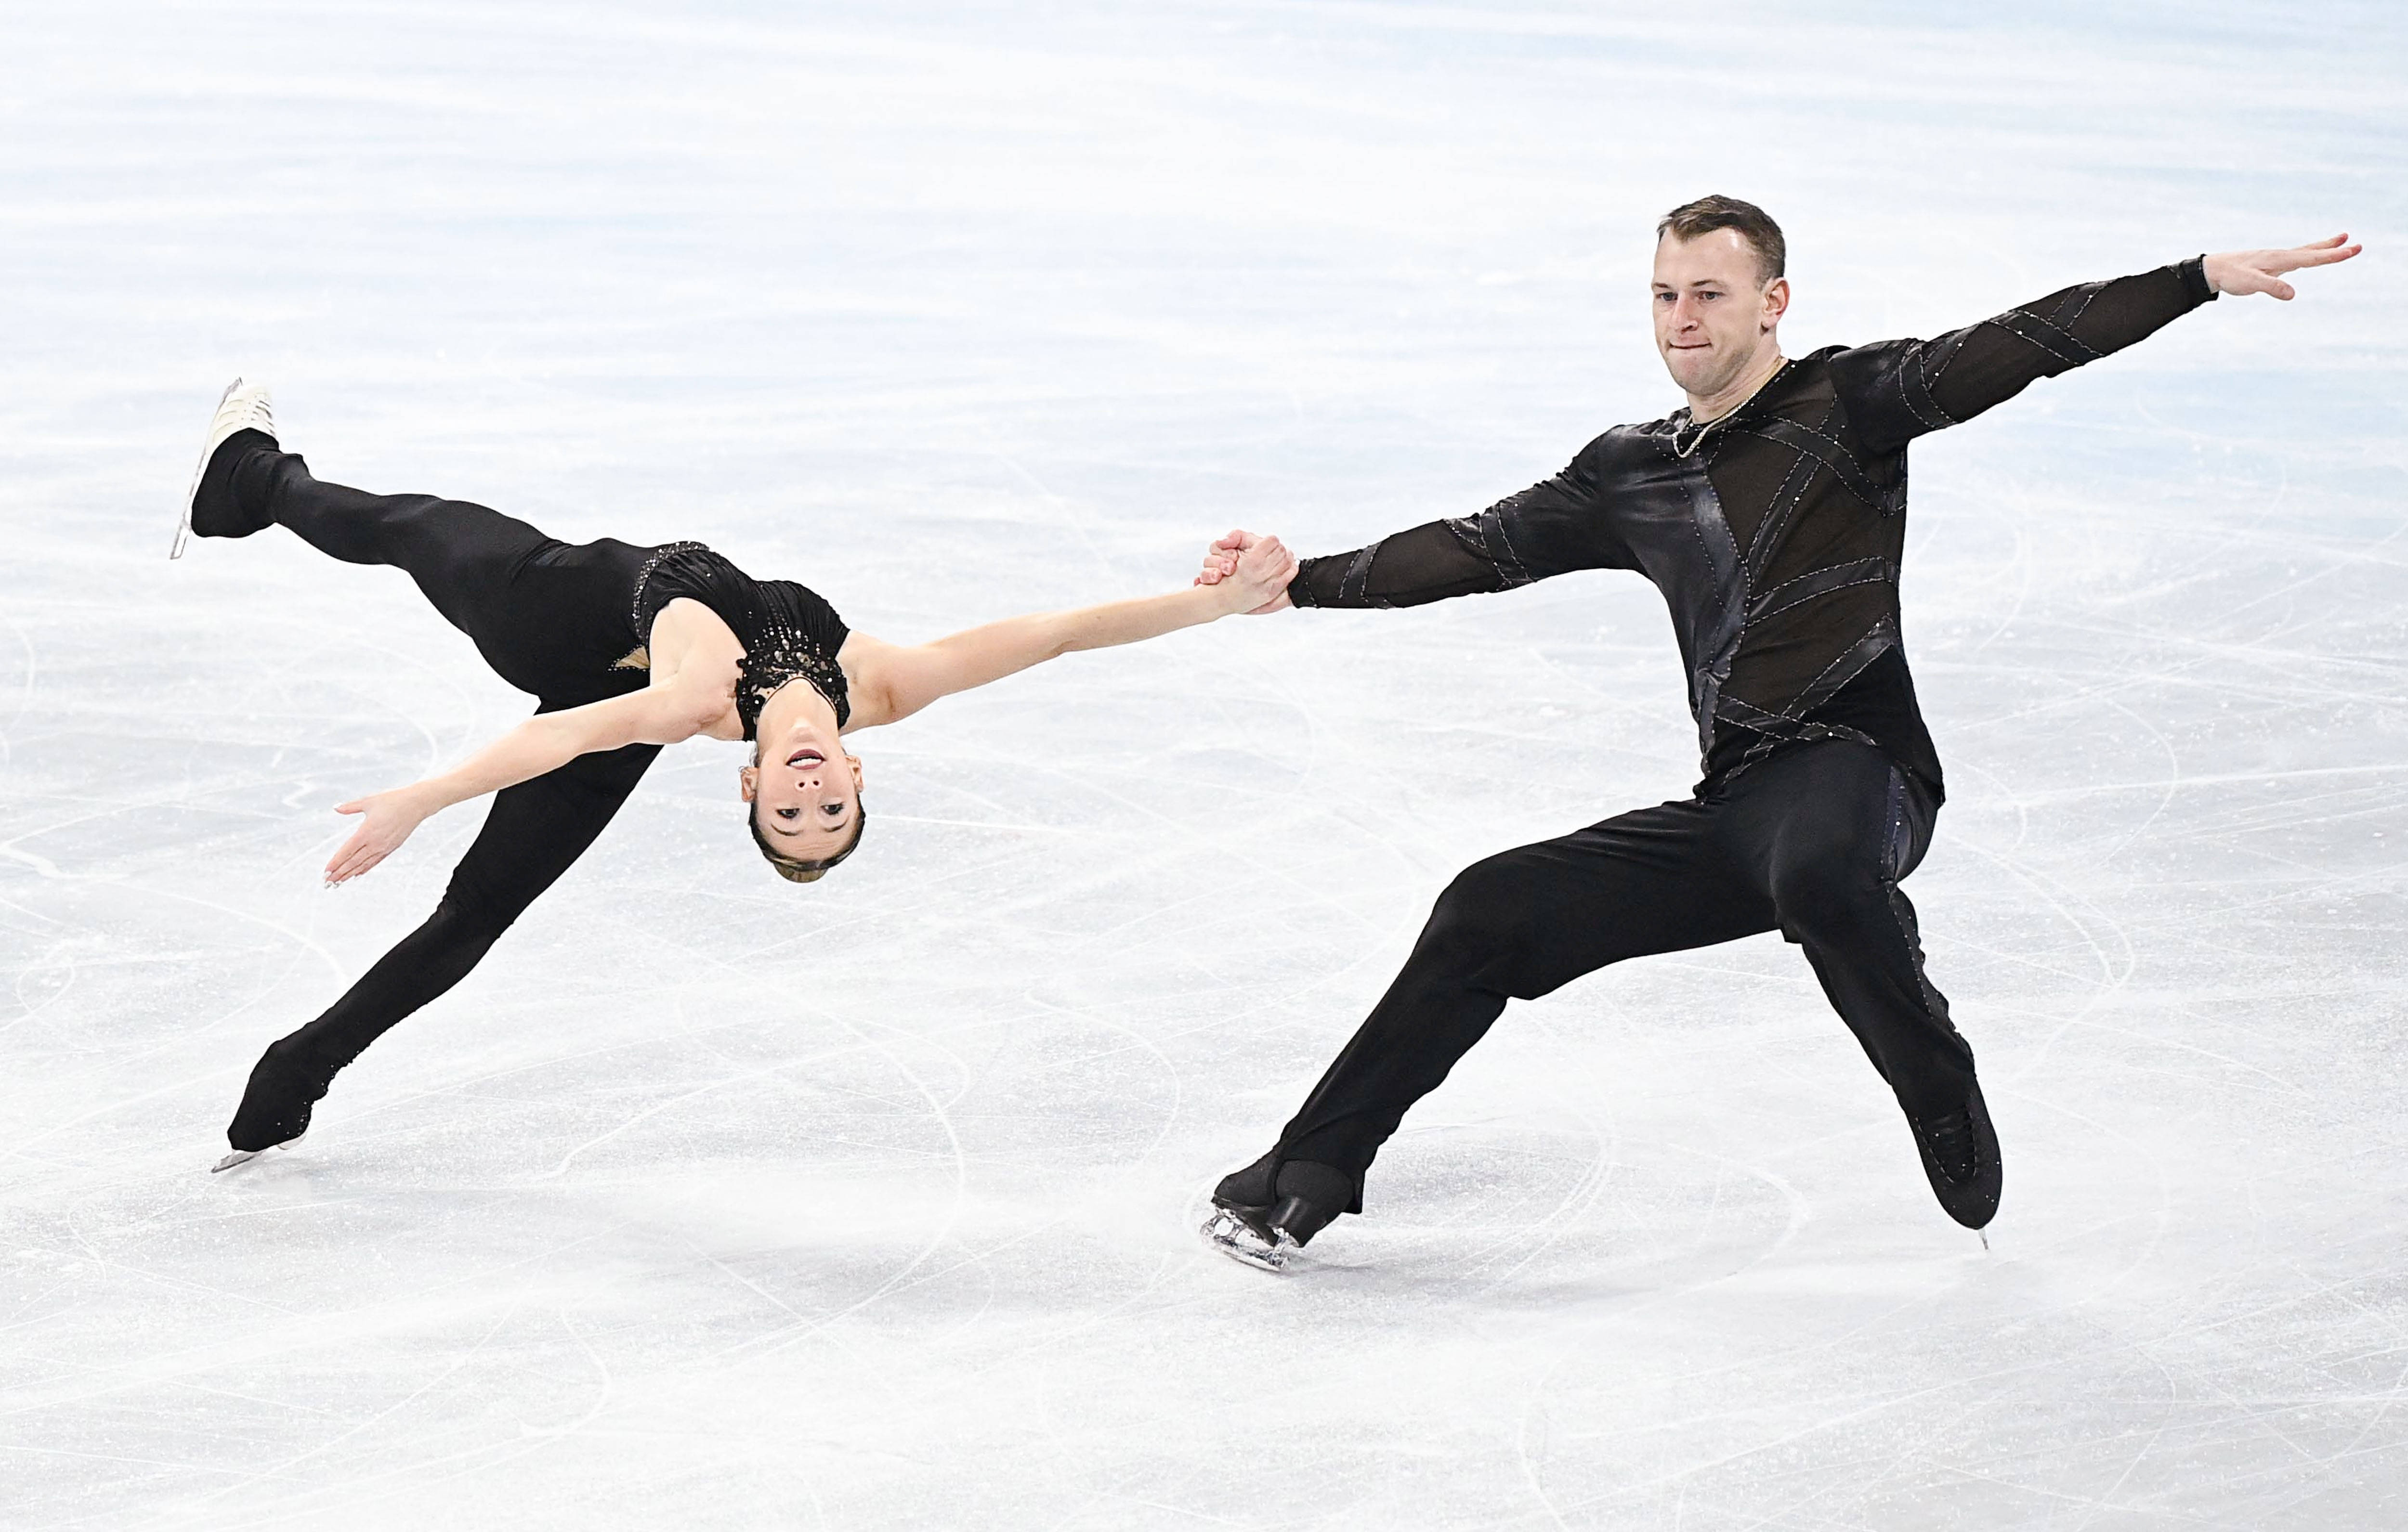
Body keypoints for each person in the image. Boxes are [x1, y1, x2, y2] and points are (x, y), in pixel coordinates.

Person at [1194, 197, 2361, 1270]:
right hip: (1735, 806)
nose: (1683, 317)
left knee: (1817, 867)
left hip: (1867, 774)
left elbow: (2019, 342)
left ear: (1772, 303)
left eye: (1709, 292)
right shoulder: (1627, 472)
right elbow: (1472, 548)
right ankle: (1303, 1172)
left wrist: (2194, 277)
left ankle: (1931, 1075)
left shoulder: (1848, 405)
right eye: (1665, 293)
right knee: (1485, 906)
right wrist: (1297, 583)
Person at [175, 382, 1298, 1170]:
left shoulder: (699, 702)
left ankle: (298, 1066)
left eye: (789, 815)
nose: (809, 792)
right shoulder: (882, 686)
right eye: (831, 809)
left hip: (545, 618)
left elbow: (565, 740)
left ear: (748, 789)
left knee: (481, 904)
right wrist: (1215, 602)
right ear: (856, 771)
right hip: (596, 625)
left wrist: (422, 799)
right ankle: (246, 484)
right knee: (392, 526)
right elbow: (1056, 634)